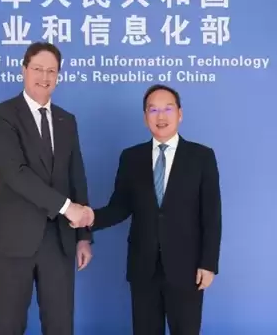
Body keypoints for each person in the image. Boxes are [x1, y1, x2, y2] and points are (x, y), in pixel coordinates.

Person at [81, 84, 222, 334]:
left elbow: (211, 216)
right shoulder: (131, 157)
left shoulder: (201, 157)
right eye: (153, 109)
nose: (161, 116)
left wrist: (208, 264)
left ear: (180, 114)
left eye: (168, 108)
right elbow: (120, 207)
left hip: (187, 268)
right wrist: (91, 218)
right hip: (143, 267)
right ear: (145, 117)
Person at [0, 42, 95, 335]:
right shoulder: (2, 116)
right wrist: (68, 208)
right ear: (24, 70)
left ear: (58, 76)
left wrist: (83, 237)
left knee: (60, 327)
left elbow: (76, 177)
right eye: (38, 69)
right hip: (12, 241)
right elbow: (15, 174)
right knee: (10, 326)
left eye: (52, 71)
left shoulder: (67, 120)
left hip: (59, 241)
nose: (45, 77)